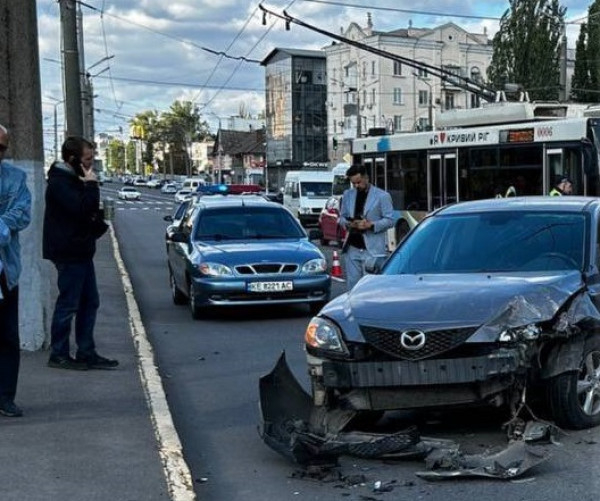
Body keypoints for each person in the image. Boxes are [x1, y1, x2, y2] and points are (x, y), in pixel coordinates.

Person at [43, 136, 117, 370]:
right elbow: (83, 208)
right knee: (69, 304)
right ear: (73, 158)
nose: (90, 164)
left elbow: (85, 212)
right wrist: (92, 184)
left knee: (89, 302)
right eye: (87, 159)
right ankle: (59, 354)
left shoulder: (72, 178)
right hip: (69, 251)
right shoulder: (60, 181)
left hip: (80, 250)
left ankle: (86, 352)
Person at [0, 124, 32, 417]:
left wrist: (1, 225)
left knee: (8, 336)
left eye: (1, 148)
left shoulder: (14, 178)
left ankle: (5, 397)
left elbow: (21, 213)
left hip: (5, 272)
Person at [339, 164, 394, 290]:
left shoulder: (382, 196)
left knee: (371, 288)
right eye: (353, 184)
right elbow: (341, 218)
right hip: (352, 248)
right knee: (353, 288)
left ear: (366, 178)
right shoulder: (348, 195)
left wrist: (371, 225)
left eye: (358, 182)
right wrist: (349, 224)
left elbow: (390, 220)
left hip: (372, 250)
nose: (356, 186)